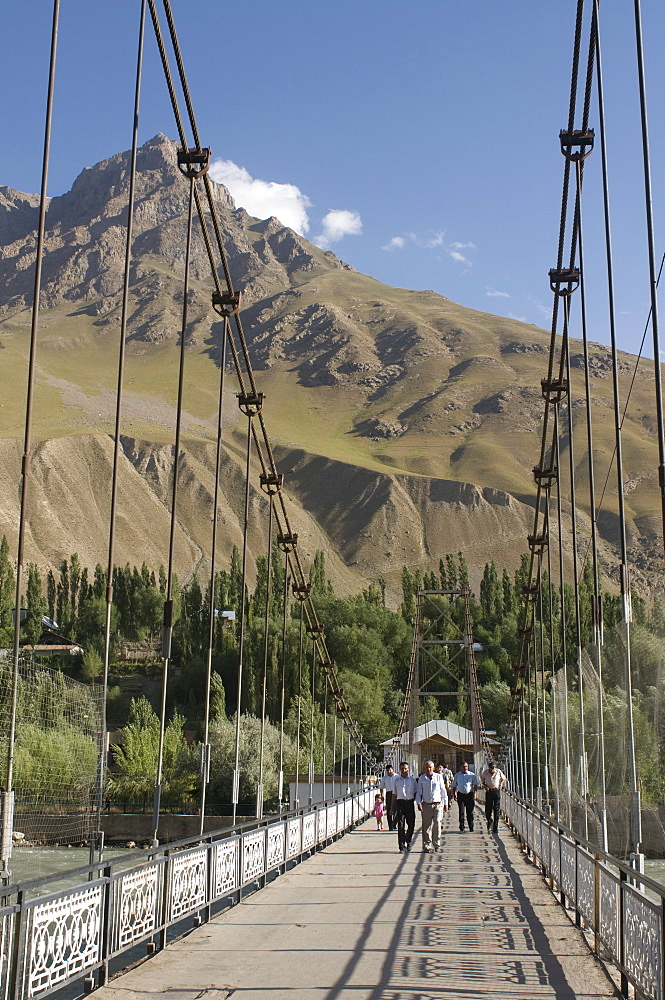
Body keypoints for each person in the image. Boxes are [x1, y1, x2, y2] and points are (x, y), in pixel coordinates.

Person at [416, 760, 446, 852]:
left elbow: (443, 790)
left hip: (437, 804)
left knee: (437, 823)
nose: (428, 769)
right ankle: (427, 845)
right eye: (427, 767)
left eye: (430, 767)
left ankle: (436, 844)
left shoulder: (438, 777)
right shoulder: (422, 778)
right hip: (426, 804)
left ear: (433, 768)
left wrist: (446, 803)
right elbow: (419, 792)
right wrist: (418, 803)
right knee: (426, 826)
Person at [391, 761, 417, 852]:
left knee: (411, 824)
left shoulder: (412, 780)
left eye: (405, 769)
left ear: (408, 769)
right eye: (402, 769)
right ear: (400, 769)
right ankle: (401, 846)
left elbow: (416, 792)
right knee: (401, 825)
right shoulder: (396, 780)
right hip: (400, 803)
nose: (404, 770)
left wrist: (417, 803)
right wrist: (392, 808)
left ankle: (408, 840)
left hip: (409, 803)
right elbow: (394, 794)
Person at [452, 760, 480, 832]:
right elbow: (454, 785)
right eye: (463, 767)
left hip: (469, 795)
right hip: (461, 794)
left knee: (470, 812)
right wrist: (454, 793)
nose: (465, 768)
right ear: (460, 767)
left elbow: (475, 785)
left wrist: (475, 793)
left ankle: (471, 826)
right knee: (461, 811)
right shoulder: (457, 775)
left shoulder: (472, 775)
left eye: (466, 766)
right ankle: (462, 827)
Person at [481, 759, 506, 833]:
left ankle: (495, 827)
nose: (492, 769)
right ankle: (489, 820)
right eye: (491, 768)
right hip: (489, 791)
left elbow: (503, 778)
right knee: (488, 809)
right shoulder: (485, 772)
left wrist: (501, 784)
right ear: (489, 767)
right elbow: (482, 781)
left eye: (493, 768)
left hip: (496, 791)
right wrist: (485, 786)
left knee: (496, 809)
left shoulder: (498, 771)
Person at [380, 764, 397, 831]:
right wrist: (381, 796)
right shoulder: (384, 778)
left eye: (390, 770)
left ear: (392, 769)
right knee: (389, 809)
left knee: (396, 809)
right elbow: (381, 787)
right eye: (387, 770)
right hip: (389, 793)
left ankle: (394, 823)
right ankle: (390, 826)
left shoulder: (397, 776)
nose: (389, 771)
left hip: (396, 793)